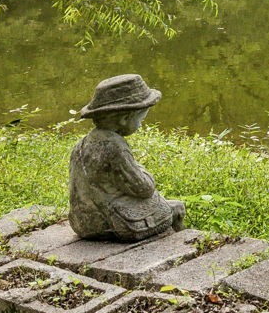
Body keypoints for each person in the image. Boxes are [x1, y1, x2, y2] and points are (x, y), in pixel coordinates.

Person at [67, 73, 187, 241]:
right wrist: (143, 171)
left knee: (161, 202)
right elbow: (144, 188)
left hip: (81, 222)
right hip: (111, 224)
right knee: (175, 208)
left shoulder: (81, 144)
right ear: (125, 118)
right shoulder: (115, 146)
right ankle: (179, 246)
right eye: (141, 119)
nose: (141, 124)